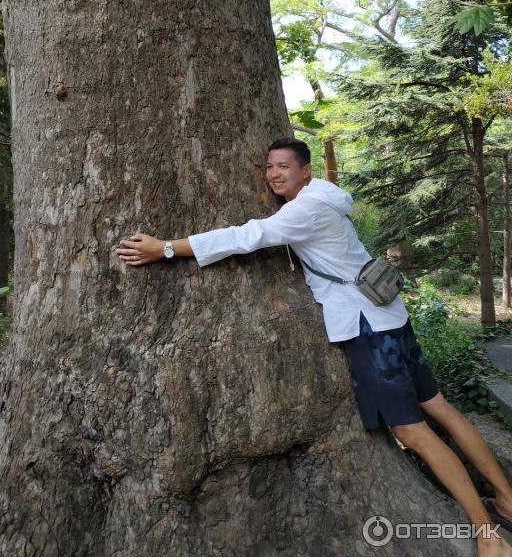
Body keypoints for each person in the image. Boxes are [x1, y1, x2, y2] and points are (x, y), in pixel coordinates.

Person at [116, 137, 512, 556]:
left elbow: (248, 235)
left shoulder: (306, 209)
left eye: (284, 166)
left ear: (306, 170)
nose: (273, 174)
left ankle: (489, 537)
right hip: (390, 318)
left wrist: (165, 248)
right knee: (440, 409)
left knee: (412, 431)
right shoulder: (325, 198)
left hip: (369, 330)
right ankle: (506, 499)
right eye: (269, 166)